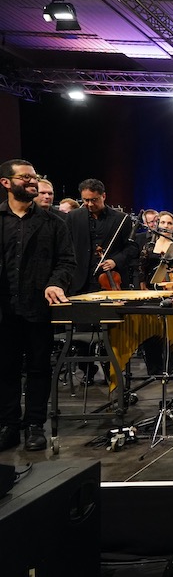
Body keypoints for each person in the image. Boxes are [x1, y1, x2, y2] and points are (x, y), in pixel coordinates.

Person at [0, 160, 74, 452]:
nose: (32, 182)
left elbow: (67, 262)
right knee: (5, 369)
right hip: (4, 309)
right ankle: (8, 425)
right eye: (25, 177)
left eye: (34, 177)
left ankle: (34, 425)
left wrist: (56, 283)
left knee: (38, 368)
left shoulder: (53, 222)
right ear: (6, 182)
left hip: (37, 307)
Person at [138, 211, 173, 375]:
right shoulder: (149, 246)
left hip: (171, 292)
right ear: (157, 225)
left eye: (169, 223)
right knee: (151, 331)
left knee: (172, 331)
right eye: (162, 222)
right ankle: (154, 368)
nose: (165, 226)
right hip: (152, 292)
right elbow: (142, 268)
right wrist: (143, 288)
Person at [66, 178, 138, 296]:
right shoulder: (73, 217)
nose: (90, 204)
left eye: (94, 200)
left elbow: (132, 248)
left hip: (111, 280)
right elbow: (67, 246)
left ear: (103, 196)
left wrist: (115, 261)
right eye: (86, 200)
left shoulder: (121, 219)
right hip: (80, 282)